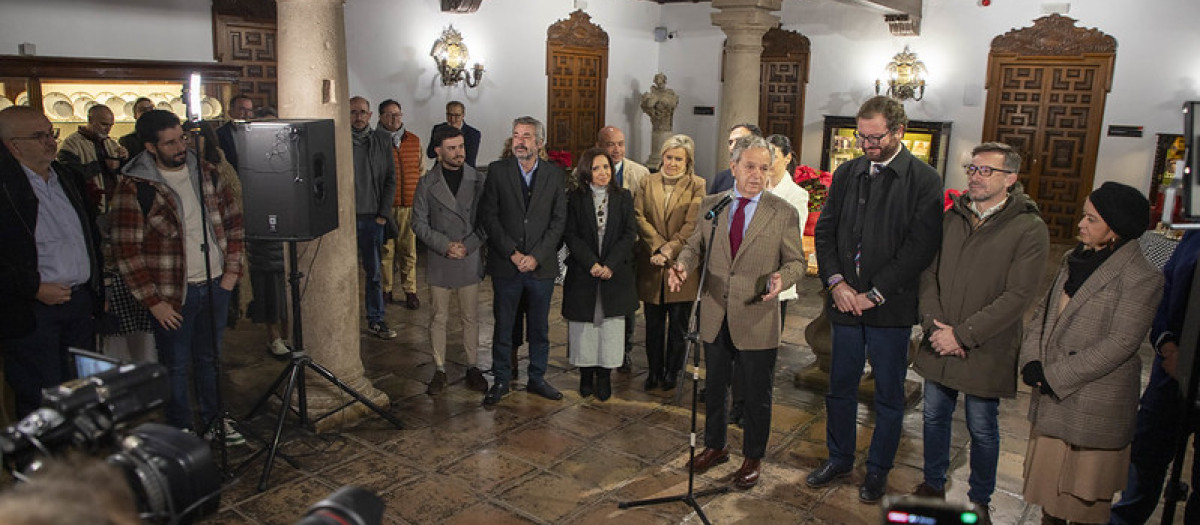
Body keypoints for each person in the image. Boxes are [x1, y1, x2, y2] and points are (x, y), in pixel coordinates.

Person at [807, 95, 943, 503]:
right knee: (840, 386)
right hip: (845, 304)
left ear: (899, 131)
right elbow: (827, 232)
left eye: (875, 137)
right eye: (861, 136)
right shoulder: (847, 173)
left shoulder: (923, 180)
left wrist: (875, 293)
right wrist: (837, 283)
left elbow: (920, 248)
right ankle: (840, 457)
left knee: (887, 394)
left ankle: (878, 470)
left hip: (891, 308)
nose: (867, 145)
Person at [911, 142, 1050, 524]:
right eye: (972, 169)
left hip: (986, 345)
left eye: (985, 170)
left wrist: (963, 335)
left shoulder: (1028, 227)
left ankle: (980, 499)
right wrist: (935, 326)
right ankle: (933, 483)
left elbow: (1019, 296)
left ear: (1011, 178)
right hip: (940, 336)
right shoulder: (951, 217)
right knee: (934, 416)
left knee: (982, 427)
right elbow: (929, 274)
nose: (975, 175)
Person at [1020, 182, 1163, 525]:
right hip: (1054, 400)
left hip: (1092, 404)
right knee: (1048, 499)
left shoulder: (1141, 276)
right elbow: (1042, 313)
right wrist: (1032, 360)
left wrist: (1054, 376)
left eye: (1090, 218)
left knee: (1084, 503)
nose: (1081, 224)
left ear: (1115, 228)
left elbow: (1120, 344)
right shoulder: (1074, 259)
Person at [667, 134, 805, 489]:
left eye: (764, 167)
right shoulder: (713, 204)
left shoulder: (782, 212)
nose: (757, 174)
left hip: (756, 316)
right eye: (750, 167)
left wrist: (780, 278)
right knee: (714, 388)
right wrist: (682, 265)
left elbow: (796, 263)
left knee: (757, 395)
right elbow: (695, 246)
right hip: (714, 312)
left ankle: (753, 457)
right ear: (734, 168)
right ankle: (716, 445)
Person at [110, 109, 245, 444]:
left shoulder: (207, 173)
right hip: (172, 294)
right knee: (175, 364)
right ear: (151, 147)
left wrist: (231, 273)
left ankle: (215, 420)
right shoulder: (135, 186)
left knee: (210, 360)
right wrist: (154, 303)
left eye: (181, 138)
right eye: (169, 142)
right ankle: (181, 427)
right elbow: (126, 251)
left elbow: (234, 223)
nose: (180, 146)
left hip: (215, 285)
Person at [0, 106, 103, 418]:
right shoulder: (5, 186)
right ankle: (45, 465)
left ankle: (78, 458)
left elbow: (89, 235)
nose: (49, 141)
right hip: (32, 310)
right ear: (13, 145)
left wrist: (97, 289)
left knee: (82, 388)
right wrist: (34, 288)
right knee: (42, 396)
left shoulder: (67, 176)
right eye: (38, 136)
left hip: (79, 302)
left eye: (51, 133)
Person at [1110, 230, 1200, 524]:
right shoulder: (1193, 239)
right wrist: (1167, 344)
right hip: (1170, 376)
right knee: (1145, 460)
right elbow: (1166, 291)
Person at [479, 116, 567, 405]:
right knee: (504, 326)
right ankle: (502, 379)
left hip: (540, 268)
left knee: (540, 328)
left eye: (527, 136)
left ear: (539, 143)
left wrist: (536, 256)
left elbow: (558, 221)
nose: (520, 140)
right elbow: (489, 217)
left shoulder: (555, 175)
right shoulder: (497, 171)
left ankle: (537, 378)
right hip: (508, 265)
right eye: (516, 135)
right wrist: (514, 254)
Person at [412, 125, 489, 395]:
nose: (459, 153)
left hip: (469, 254)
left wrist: (467, 246)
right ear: (438, 151)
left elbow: (487, 220)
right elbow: (418, 223)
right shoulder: (426, 183)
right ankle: (440, 368)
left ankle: (472, 366)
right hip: (440, 256)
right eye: (452, 148)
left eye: (461, 147)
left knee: (470, 317)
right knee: (438, 316)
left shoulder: (478, 180)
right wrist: (445, 246)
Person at [562, 147, 637, 401]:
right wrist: (591, 263)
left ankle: (604, 376)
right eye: (596, 168)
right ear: (586, 172)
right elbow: (570, 234)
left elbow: (629, 234)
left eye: (606, 167)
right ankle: (586, 374)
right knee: (585, 327)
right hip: (584, 273)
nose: (603, 172)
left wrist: (610, 264)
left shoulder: (624, 196)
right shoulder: (574, 198)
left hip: (614, 274)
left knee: (610, 327)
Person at [633, 134, 705, 391]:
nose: (673, 163)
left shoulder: (697, 185)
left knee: (678, 324)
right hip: (652, 262)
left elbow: (692, 225)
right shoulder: (646, 181)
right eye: (669, 157)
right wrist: (657, 246)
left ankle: (672, 372)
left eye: (678, 159)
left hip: (681, 264)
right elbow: (639, 216)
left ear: (688, 162)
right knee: (652, 324)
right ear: (662, 157)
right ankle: (653, 371)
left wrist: (669, 250)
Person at [598, 125, 650, 372]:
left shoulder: (639, 173)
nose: (616, 149)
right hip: (598, 252)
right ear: (600, 146)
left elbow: (642, 215)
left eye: (620, 143)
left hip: (630, 250)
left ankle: (625, 349)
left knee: (627, 302)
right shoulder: (585, 170)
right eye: (610, 144)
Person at [349, 96, 398, 340]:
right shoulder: (338, 140)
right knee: (343, 273)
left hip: (372, 218)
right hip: (345, 220)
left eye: (362, 112)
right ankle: (343, 321)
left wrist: (383, 215)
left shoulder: (381, 140)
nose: (358, 117)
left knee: (374, 272)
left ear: (370, 116)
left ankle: (376, 319)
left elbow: (390, 179)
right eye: (353, 112)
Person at [377, 99, 423, 310]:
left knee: (408, 250)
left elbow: (421, 170)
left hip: (409, 205)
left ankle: (410, 290)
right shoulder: (375, 141)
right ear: (380, 117)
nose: (394, 118)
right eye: (389, 114)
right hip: (385, 206)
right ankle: (386, 289)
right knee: (386, 251)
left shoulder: (413, 140)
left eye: (397, 114)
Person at [708, 123, 761, 195]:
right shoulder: (722, 178)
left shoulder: (766, 177)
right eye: (730, 142)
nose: (732, 147)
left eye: (739, 141)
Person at [425, 100, 482, 168]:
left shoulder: (473, 134)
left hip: (463, 173)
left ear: (463, 115)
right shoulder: (438, 129)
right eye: (449, 115)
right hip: (439, 172)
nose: (452, 119)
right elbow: (430, 154)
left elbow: (470, 161)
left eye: (457, 115)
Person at [216, 94, 254, 171]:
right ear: (230, 112)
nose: (247, 114)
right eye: (242, 109)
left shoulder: (258, 133)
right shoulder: (220, 134)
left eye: (249, 110)